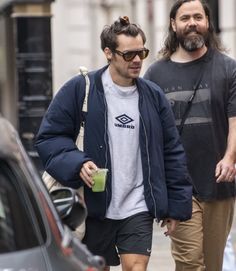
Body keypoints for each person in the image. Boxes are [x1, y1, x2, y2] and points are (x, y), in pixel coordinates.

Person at [35, 16, 192, 271]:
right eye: (129, 54)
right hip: (94, 204)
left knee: (136, 267)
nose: (138, 60)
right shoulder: (79, 89)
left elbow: (171, 151)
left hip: (138, 205)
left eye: (142, 52)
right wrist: (79, 163)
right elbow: (49, 137)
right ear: (108, 53)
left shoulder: (153, 96)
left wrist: (175, 206)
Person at [144, 1, 236, 271]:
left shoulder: (228, 69)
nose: (192, 22)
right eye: (185, 18)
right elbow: (151, 133)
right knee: (189, 263)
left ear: (208, 22)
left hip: (220, 183)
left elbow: (235, 120)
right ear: (174, 24)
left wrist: (230, 158)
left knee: (212, 263)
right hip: (179, 185)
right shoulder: (156, 74)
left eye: (198, 16)